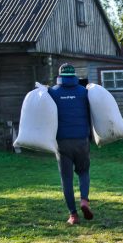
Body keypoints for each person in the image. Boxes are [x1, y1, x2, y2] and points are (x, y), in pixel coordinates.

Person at [48, 63, 93, 225]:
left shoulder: (52, 93)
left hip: (62, 142)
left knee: (66, 178)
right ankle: (84, 201)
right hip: (81, 139)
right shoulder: (83, 92)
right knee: (83, 172)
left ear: (60, 76)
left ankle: (73, 215)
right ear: (74, 75)